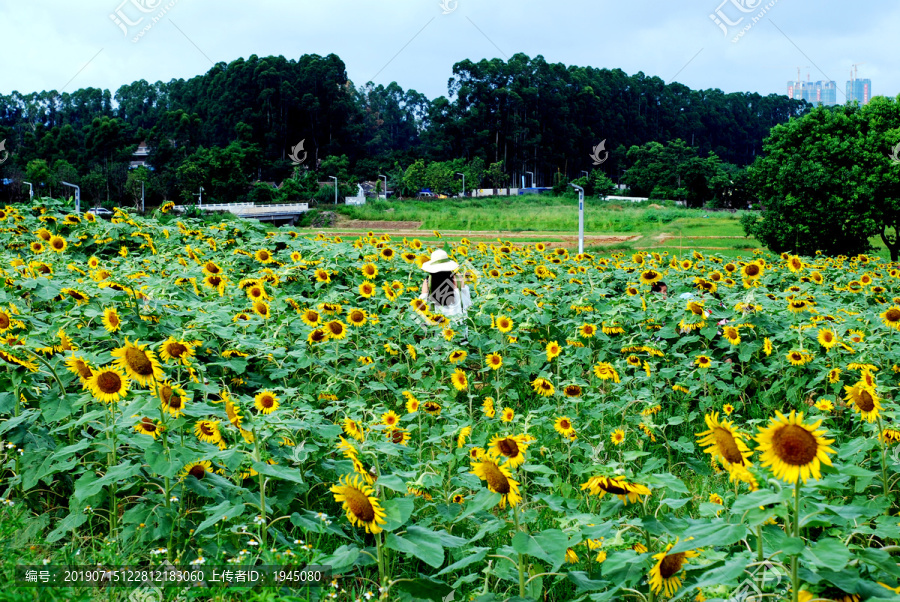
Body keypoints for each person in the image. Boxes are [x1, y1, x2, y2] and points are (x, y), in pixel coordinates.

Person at [419, 249, 472, 343]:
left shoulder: (428, 281)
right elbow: (467, 303)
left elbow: (423, 305)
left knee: (438, 351)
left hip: (437, 326)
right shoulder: (458, 278)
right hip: (457, 325)